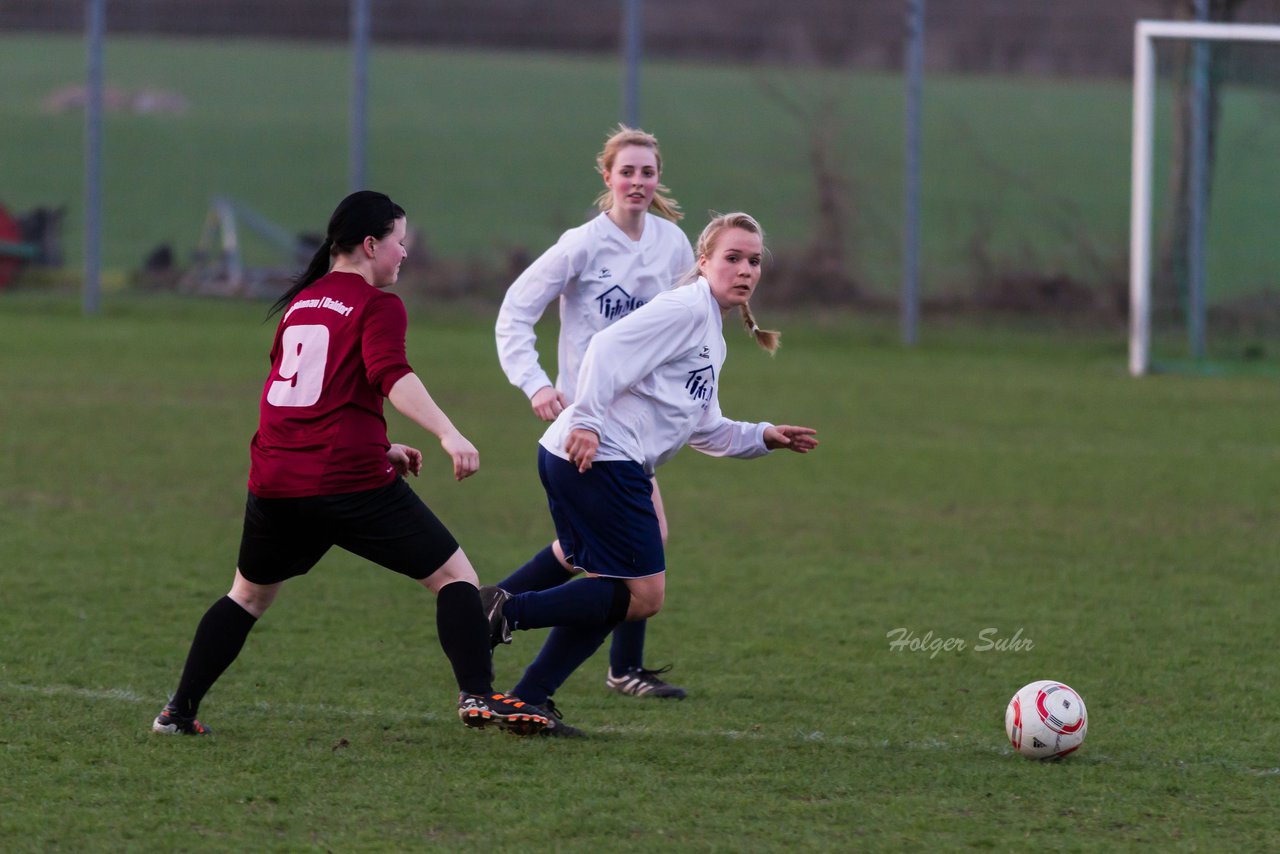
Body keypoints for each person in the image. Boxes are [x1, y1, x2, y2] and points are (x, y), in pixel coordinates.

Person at [151, 191, 547, 737]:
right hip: (346, 483)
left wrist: (380, 445)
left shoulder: (302, 301)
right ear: (370, 245)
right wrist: (448, 432)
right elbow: (391, 374)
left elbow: (298, 397)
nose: (404, 253)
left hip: (276, 479)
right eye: (399, 242)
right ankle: (478, 696)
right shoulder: (378, 304)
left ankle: (178, 711)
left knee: (246, 596)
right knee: (456, 577)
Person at [482, 212, 819, 736]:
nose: (745, 269)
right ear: (702, 262)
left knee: (613, 589)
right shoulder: (686, 308)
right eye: (732, 258)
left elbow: (702, 427)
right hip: (600, 457)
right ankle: (505, 611)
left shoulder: (712, 330)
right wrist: (589, 422)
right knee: (643, 595)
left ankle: (529, 695)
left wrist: (762, 436)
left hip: (579, 456)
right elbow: (605, 349)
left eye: (753, 261)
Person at [495, 125, 695, 700]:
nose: (637, 181)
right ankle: (507, 620)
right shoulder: (582, 244)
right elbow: (514, 313)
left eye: (647, 172)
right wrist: (535, 384)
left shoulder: (673, 246)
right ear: (606, 177)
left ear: (658, 179)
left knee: (596, 548)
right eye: (626, 171)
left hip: (639, 422)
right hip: (589, 425)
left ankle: (487, 610)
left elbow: (685, 328)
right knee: (631, 548)